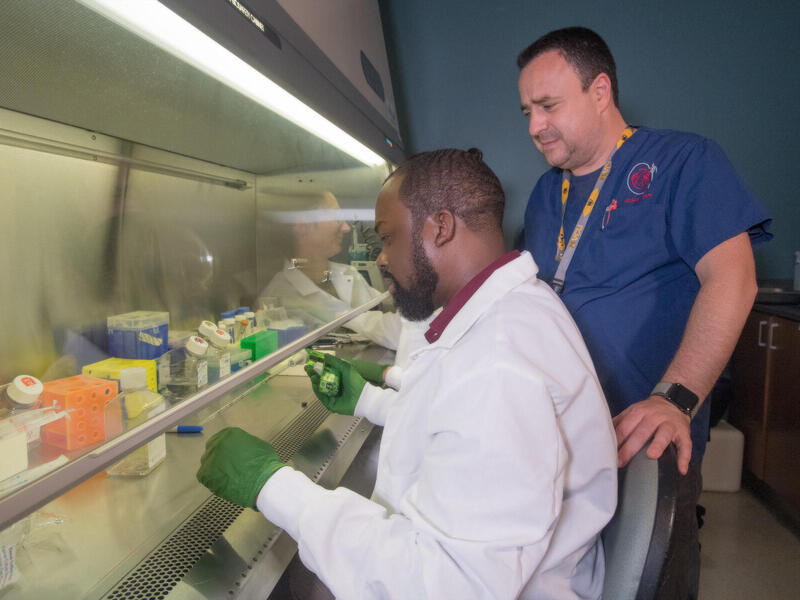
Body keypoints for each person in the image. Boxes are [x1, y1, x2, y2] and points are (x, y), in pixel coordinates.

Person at [197, 149, 618, 598]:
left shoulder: (498, 365)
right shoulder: (512, 310)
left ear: (440, 227)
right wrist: (368, 399)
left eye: (388, 237)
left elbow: (447, 583)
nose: (380, 258)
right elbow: (457, 423)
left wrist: (274, 486)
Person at [517, 26, 772, 597]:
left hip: (644, 437)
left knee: (647, 574)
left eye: (549, 105)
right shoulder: (543, 194)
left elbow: (734, 278)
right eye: (528, 110)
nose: (535, 126)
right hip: (559, 443)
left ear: (600, 90)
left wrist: (675, 397)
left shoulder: (683, 162)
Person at [260, 189, 428, 366]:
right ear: (304, 226)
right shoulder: (277, 297)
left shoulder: (348, 273)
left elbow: (390, 315)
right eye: (335, 217)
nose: (346, 227)